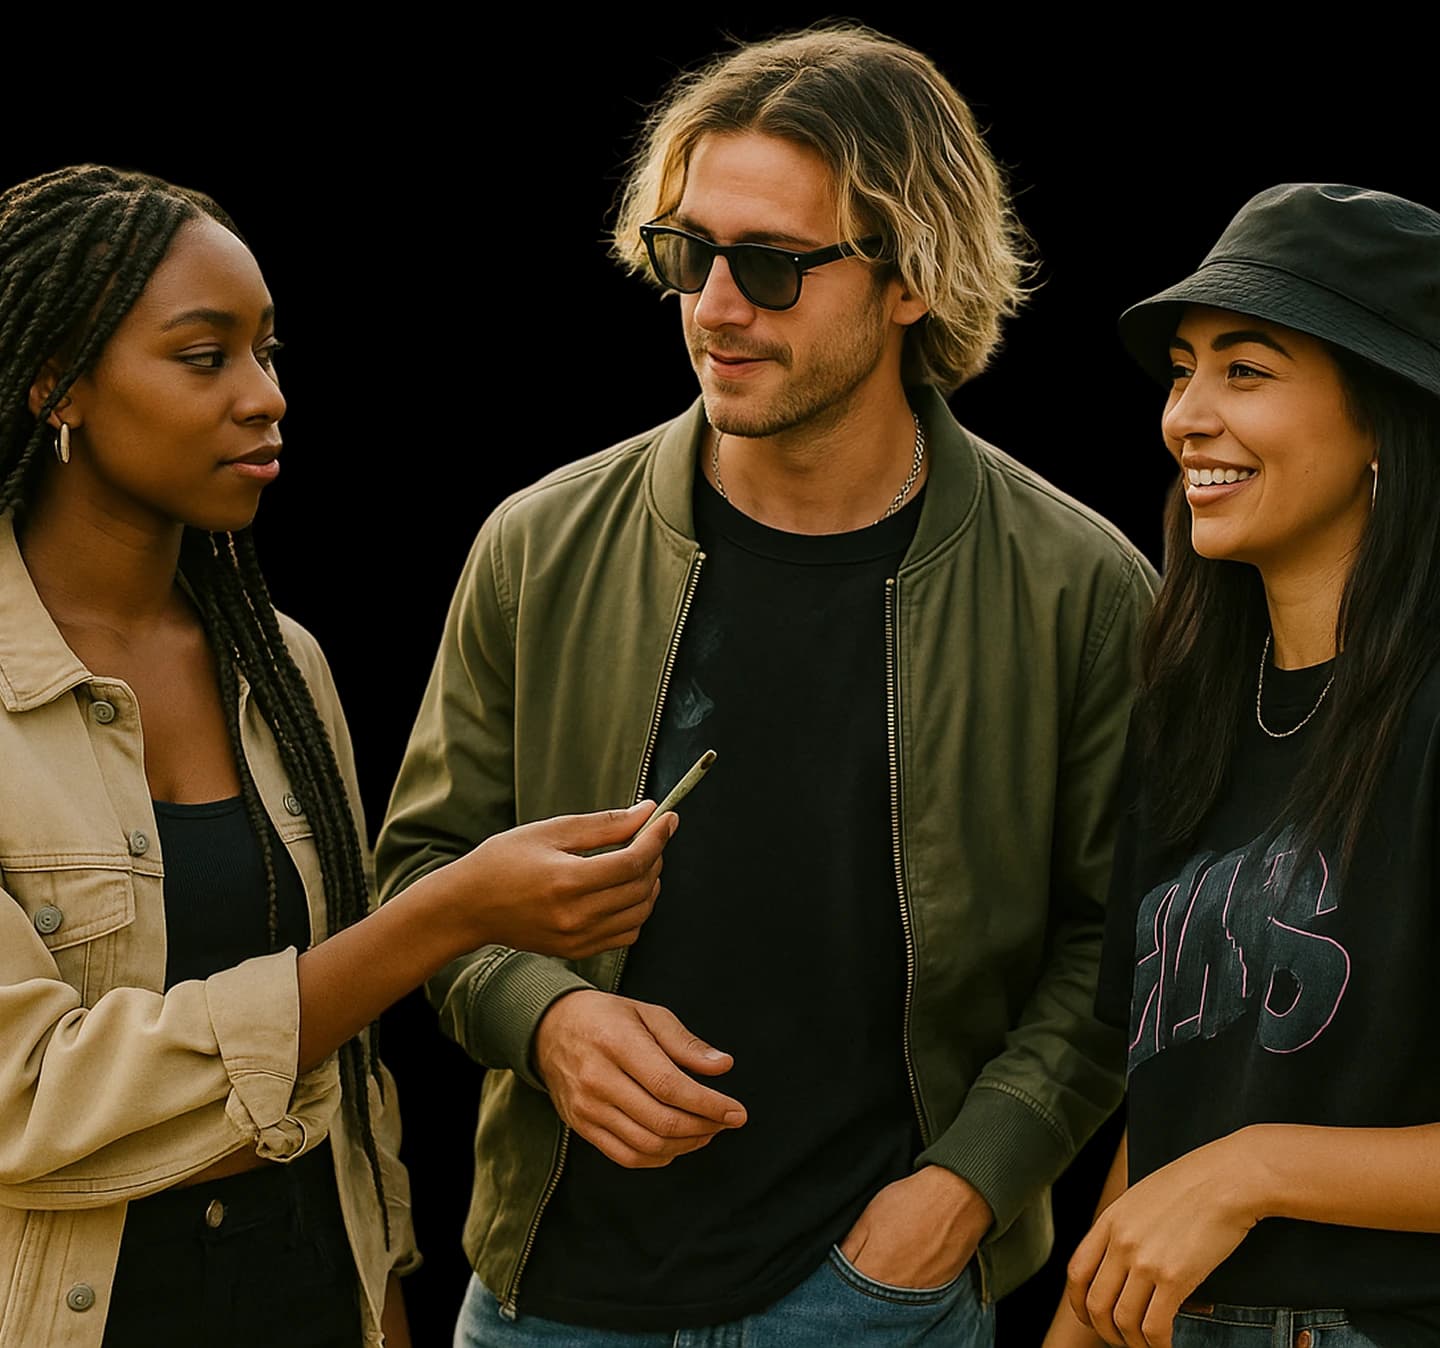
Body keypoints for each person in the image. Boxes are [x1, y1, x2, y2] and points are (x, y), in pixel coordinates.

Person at [376, 24, 1155, 1346]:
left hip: (878, 1296)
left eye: (775, 267)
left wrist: (969, 1187)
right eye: (689, 254)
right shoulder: (541, 544)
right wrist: (546, 1017)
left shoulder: (1080, 588)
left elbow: (1122, 942)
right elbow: (424, 872)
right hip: (547, 1293)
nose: (714, 306)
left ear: (911, 279)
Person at [0, 164, 677, 1348]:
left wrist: (383, 1289)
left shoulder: (282, 669)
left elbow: (348, 1080)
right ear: (58, 381)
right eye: (205, 357)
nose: (266, 397)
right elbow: (29, 1098)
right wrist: (447, 912)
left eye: (269, 352)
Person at [1046, 183, 1440, 1348]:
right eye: (1182, 369)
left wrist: (1259, 1168)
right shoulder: (1185, 720)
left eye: (1247, 371)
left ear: (1385, 414)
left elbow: (1216, 1161)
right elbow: (1169, 1096)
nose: (1186, 417)